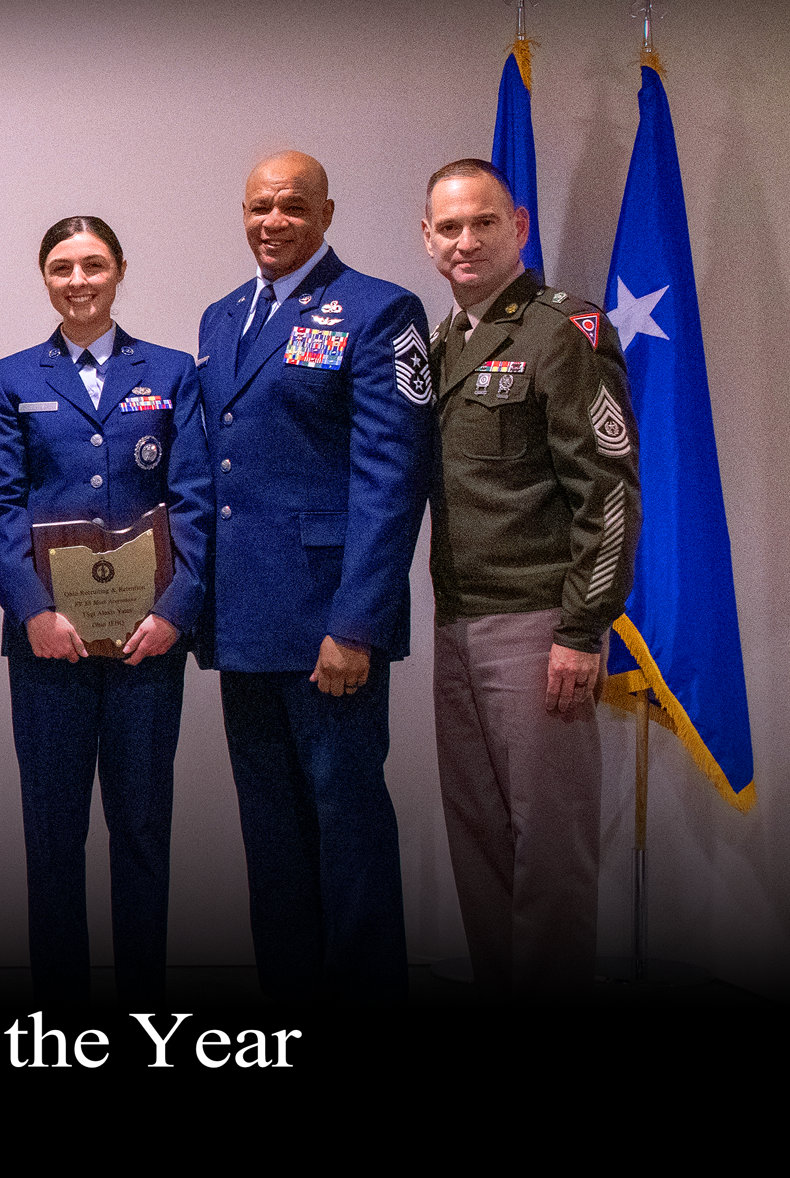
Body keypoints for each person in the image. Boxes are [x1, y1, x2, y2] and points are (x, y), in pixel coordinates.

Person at [196, 150, 433, 1004]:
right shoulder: (223, 318)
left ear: (327, 214)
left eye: (292, 206)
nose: (272, 221)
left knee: (348, 826)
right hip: (244, 623)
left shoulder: (378, 312)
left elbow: (391, 477)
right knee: (273, 838)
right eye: (259, 206)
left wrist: (357, 623)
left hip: (330, 625)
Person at [0, 216, 210, 1008]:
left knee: (142, 829)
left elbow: (195, 502)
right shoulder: (12, 377)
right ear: (44, 277)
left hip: (150, 642)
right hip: (48, 644)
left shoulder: (173, 371)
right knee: (53, 838)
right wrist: (35, 610)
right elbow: (1, 510)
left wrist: (178, 610)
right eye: (62, 267)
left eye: (94, 265)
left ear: (119, 272)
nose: (78, 280)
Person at [420, 158, 637, 1000]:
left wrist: (583, 631)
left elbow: (609, 491)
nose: (465, 241)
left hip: (539, 625)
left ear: (519, 226)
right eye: (449, 227)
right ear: (427, 237)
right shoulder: (442, 345)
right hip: (456, 621)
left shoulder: (563, 330)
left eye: (482, 223)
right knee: (477, 845)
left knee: (549, 854)